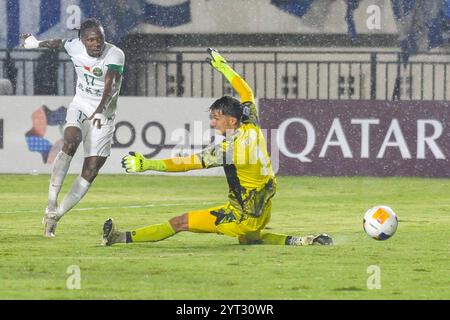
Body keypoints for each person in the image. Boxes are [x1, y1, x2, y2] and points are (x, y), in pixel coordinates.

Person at [102, 48, 332, 247]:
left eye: (216, 118)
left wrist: (148, 164)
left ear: (231, 121)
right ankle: (303, 241)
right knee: (249, 239)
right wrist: (224, 68)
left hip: (242, 215)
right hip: (260, 209)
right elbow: (247, 93)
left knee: (180, 222)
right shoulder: (251, 125)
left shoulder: (232, 150)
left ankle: (119, 238)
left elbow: (187, 163)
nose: (212, 123)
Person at [21, 18, 125, 237]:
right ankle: (51, 202)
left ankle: (55, 216)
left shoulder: (115, 54)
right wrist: (34, 43)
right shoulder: (74, 46)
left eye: (100, 39)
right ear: (83, 40)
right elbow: (57, 43)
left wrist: (100, 109)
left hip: (104, 115)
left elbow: (111, 84)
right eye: (91, 40)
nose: (96, 44)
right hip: (80, 105)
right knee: (70, 139)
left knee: (91, 170)